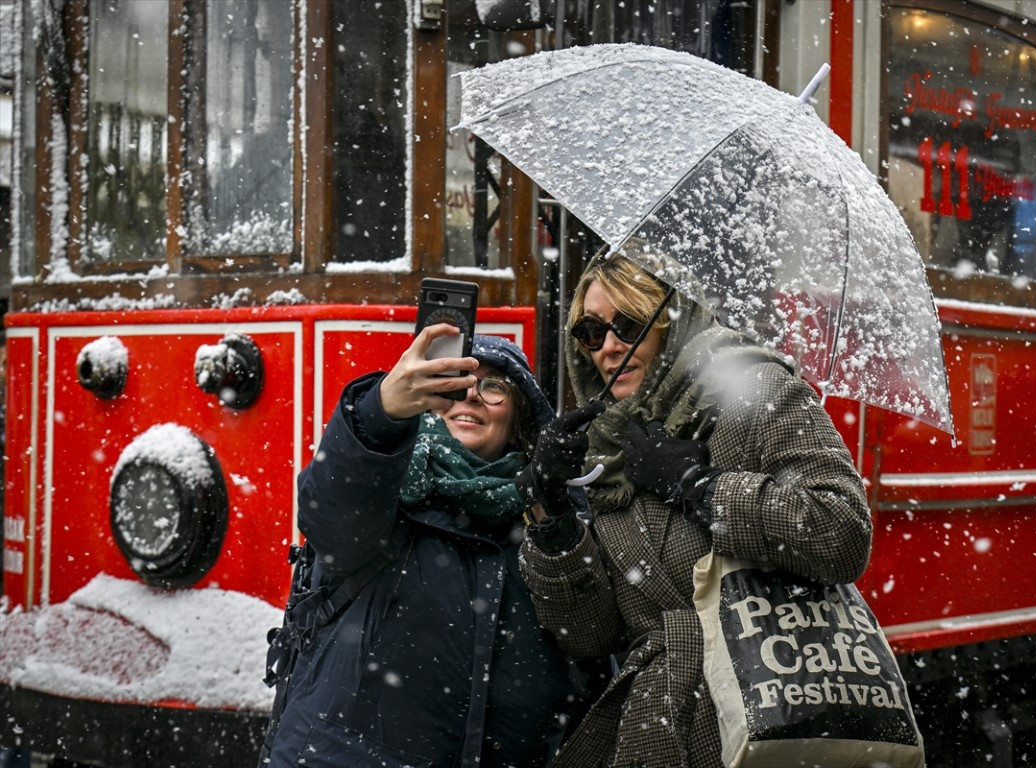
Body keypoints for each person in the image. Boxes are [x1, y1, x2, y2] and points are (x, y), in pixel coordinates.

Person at [517, 251, 874, 768]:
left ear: (671, 325)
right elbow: (592, 635)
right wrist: (552, 516)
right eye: (592, 333)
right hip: (659, 727)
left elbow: (842, 532)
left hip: (768, 713)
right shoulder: (608, 447)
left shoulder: (757, 392)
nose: (610, 347)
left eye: (629, 325)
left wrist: (701, 487)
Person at [262, 327, 605, 767]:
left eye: (494, 386)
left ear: (520, 419)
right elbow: (330, 512)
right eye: (454, 384)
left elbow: (588, 635)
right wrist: (380, 413)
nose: (471, 396)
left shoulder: (549, 511)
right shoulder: (385, 484)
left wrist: (550, 508)